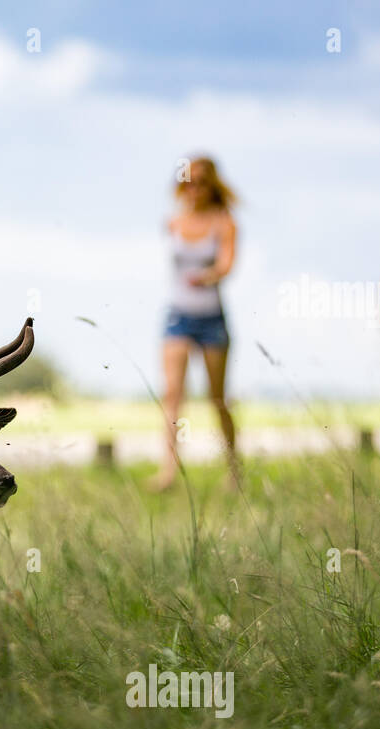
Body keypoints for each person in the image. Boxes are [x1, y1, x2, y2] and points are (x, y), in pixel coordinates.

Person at [152, 156, 239, 492]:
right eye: (188, 182)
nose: (194, 188)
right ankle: (169, 471)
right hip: (177, 316)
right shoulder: (172, 222)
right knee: (172, 393)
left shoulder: (223, 222)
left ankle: (234, 470)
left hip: (212, 319)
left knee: (216, 398)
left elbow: (228, 263)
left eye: (201, 182)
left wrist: (211, 274)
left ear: (211, 185)